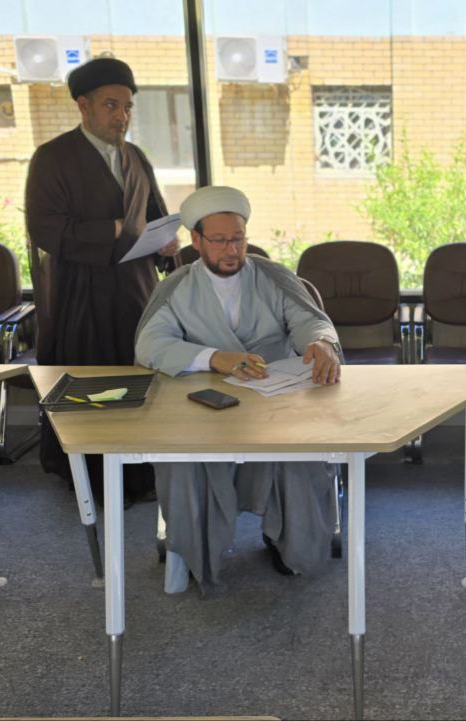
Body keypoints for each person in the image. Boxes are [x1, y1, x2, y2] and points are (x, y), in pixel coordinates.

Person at [135, 186, 342, 597]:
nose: (232, 250)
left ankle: (290, 546)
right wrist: (214, 358)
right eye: (219, 240)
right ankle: (195, 553)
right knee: (183, 463)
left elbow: (311, 323)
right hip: (203, 408)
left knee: (300, 456)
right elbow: (150, 345)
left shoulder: (274, 276)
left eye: (239, 239)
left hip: (275, 402)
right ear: (196, 241)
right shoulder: (176, 286)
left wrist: (321, 343)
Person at [25, 56, 178, 504]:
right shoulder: (53, 157)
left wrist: (167, 242)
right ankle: (93, 480)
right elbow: (45, 229)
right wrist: (110, 229)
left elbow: (154, 214)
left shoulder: (135, 157)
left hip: (136, 289)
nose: (121, 116)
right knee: (94, 388)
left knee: (140, 379)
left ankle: (139, 475)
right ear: (84, 106)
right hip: (81, 293)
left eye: (127, 107)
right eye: (111, 105)